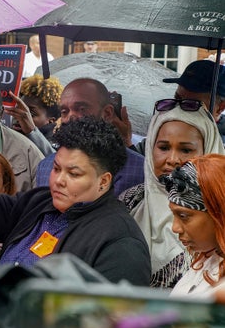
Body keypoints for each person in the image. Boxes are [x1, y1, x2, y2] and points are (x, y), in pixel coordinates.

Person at [0, 116, 151, 285]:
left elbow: (111, 325)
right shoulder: (39, 202)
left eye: (73, 174)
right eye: (56, 168)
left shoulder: (120, 241)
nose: (59, 180)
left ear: (103, 181)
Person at [121, 100, 224, 288]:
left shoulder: (218, 211)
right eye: (163, 147)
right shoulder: (129, 202)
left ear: (207, 150)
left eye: (186, 150)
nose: (173, 160)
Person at [34, 78, 145, 196]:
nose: (71, 116)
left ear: (107, 113)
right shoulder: (45, 167)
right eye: (64, 111)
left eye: (81, 109)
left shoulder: (140, 170)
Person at [163, 155, 225, 298]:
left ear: (219, 215)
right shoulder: (209, 257)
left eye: (183, 216)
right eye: (174, 214)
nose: (175, 228)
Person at [6, 74, 63, 155]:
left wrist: (31, 132)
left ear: (50, 121)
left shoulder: (59, 146)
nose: (20, 117)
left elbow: (52, 159)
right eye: (18, 110)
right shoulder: (7, 138)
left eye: (30, 114)